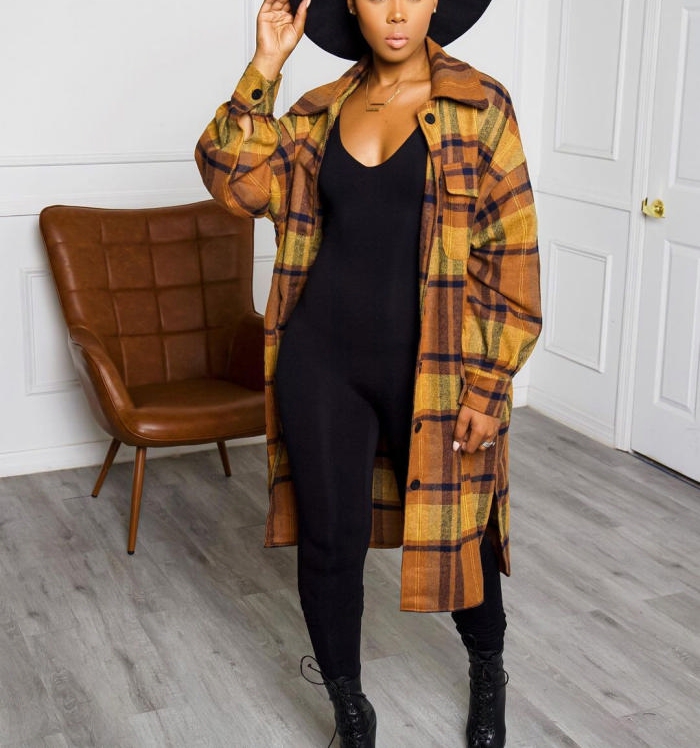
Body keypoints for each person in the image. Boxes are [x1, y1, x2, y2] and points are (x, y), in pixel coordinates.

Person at [196, 1, 541, 745]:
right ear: (349, 3)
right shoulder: (317, 112)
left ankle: (488, 672)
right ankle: (350, 709)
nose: (396, 10)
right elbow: (233, 182)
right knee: (329, 541)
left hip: (438, 369)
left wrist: (489, 385)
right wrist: (265, 66)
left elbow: (510, 254)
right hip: (320, 360)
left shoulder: (479, 105)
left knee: (462, 533)